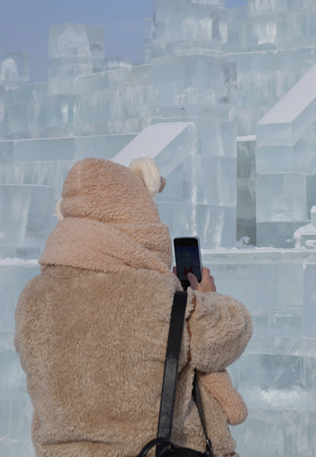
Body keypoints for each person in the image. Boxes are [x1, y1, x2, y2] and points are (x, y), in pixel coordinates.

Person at [15, 157, 253, 457]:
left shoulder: (31, 298)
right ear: (135, 214)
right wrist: (208, 298)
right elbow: (230, 332)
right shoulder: (157, 296)